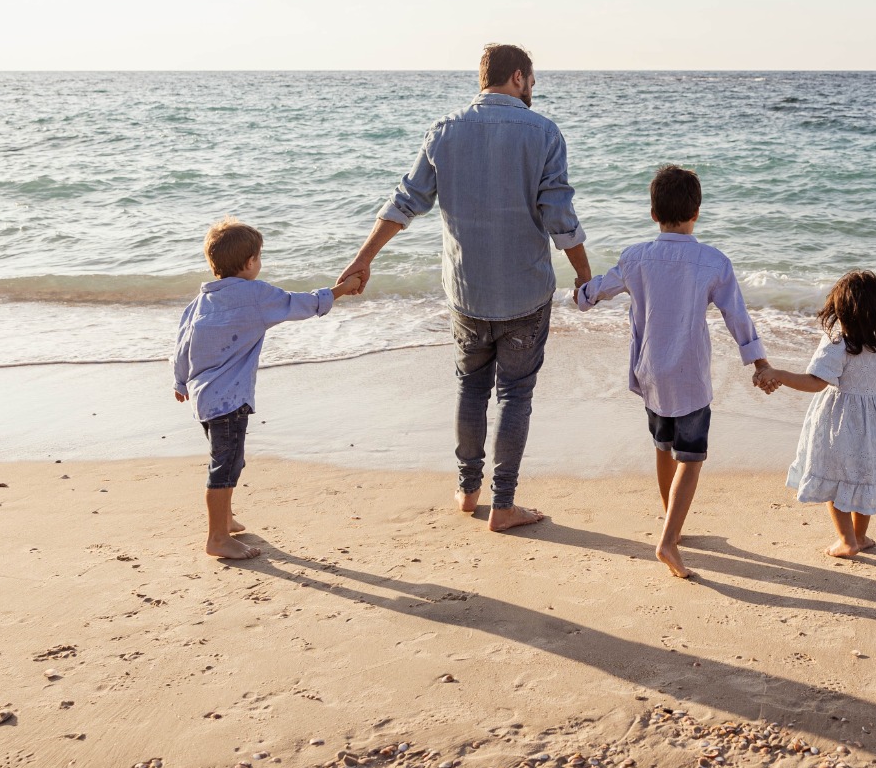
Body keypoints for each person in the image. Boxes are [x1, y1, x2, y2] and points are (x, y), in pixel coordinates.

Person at [339, 44, 590, 532]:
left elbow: (404, 203)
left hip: (467, 293)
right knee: (515, 395)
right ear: (518, 77)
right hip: (524, 294)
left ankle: (467, 488)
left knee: (471, 386)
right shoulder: (544, 133)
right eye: (532, 81)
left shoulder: (444, 130)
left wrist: (362, 260)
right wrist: (584, 276)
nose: (533, 89)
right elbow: (559, 217)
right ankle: (504, 504)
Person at [574, 165, 769, 578]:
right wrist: (759, 361)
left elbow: (595, 293)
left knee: (664, 447)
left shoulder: (635, 256)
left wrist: (581, 293)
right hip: (690, 376)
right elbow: (737, 316)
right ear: (697, 211)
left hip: (651, 374)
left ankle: (670, 522)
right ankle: (668, 540)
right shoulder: (713, 261)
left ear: (652, 213)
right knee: (692, 457)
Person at [173, 218, 362, 560]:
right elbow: (299, 303)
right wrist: (340, 290)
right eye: (258, 258)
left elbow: (182, 341)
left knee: (229, 460)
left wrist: (179, 380)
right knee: (225, 465)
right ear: (249, 263)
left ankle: (225, 519)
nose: (259, 264)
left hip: (202, 397)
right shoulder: (255, 295)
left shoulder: (201, 299)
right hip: (229, 399)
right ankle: (216, 537)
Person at [757, 270, 876, 559]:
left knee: (835, 478)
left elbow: (815, 382)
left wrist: (778, 374)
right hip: (874, 422)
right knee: (864, 478)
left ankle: (846, 540)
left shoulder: (839, 342)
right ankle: (860, 536)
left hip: (838, 421)